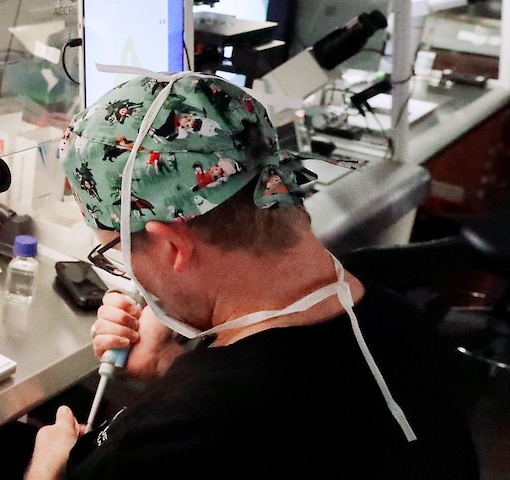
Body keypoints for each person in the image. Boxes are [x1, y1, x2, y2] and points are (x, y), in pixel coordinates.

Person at [27, 72, 479, 480]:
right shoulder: (403, 323)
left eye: (116, 252)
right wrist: (170, 369)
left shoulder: (180, 435)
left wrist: (49, 464)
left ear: (172, 246)